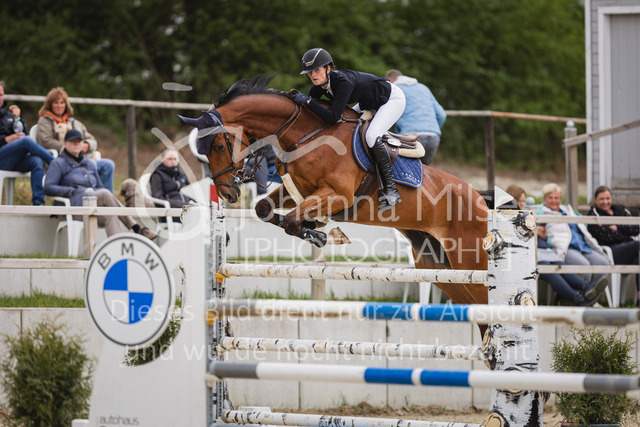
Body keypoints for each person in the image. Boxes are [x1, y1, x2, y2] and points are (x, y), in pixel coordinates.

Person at [294, 48, 406, 212]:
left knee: (371, 136)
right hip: (368, 101)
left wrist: (308, 102)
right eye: (309, 72)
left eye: (316, 70)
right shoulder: (320, 85)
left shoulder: (343, 83)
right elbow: (310, 108)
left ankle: (391, 189)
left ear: (328, 68)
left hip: (390, 99)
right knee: (344, 128)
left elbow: (332, 117)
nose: (313, 75)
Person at [506, 183, 607, 306]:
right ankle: (577, 297)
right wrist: (536, 232)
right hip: (525, 256)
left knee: (559, 265)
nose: (523, 204)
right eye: (520, 201)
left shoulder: (524, 214)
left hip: (541, 252)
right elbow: (515, 240)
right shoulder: (507, 217)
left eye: (524, 201)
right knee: (550, 271)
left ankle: (585, 288)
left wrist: (540, 234)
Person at [44, 129, 156, 240]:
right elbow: (48, 187)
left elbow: (99, 186)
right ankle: (136, 228)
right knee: (105, 193)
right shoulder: (58, 163)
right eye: (73, 141)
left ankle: (118, 246)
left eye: (79, 141)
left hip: (91, 206)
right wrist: (71, 191)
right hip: (73, 209)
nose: (76, 144)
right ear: (65, 143)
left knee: (111, 213)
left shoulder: (89, 163)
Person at [36, 87, 116, 192]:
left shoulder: (74, 122)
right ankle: (95, 197)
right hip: (63, 163)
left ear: (66, 104)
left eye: (62, 103)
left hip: (84, 161)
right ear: (50, 104)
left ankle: (103, 198)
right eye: (56, 103)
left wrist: (86, 145)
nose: (59, 106)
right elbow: (45, 141)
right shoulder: (44, 121)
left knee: (108, 165)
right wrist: (69, 147)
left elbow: (92, 140)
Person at [537, 183, 610, 284]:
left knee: (603, 263)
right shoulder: (541, 212)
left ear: (560, 199)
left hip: (583, 246)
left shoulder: (567, 211)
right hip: (566, 248)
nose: (554, 201)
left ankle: (593, 291)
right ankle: (584, 291)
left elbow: (582, 223)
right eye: (550, 198)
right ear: (544, 199)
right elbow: (537, 229)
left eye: (556, 198)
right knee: (585, 266)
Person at [0, 81, 55, 205]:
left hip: (13, 160)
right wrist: (5, 140)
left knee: (36, 160)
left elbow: (24, 134)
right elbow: (26, 141)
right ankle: (55, 163)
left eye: (1, 94)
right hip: (1, 159)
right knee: (26, 141)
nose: (0, 98)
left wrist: (18, 119)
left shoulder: (8, 115)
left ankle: (38, 204)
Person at [587, 185, 640, 303]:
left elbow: (636, 228)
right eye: (602, 199)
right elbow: (607, 236)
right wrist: (625, 232)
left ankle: (639, 298)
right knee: (638, 245)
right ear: (596, 200)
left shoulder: (621, 210)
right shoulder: (593, 215)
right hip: (610, 253)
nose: (605, 202)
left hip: (630, 250)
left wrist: (618, 227)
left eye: (608, 198)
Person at [385, 70, 446, 165]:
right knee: (424, 171)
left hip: (412, 137)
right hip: (433, 136)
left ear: (391, 81)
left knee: (404, 169)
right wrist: (433, 129)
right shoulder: (423, 88)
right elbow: (442, 115)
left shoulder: (395, 89)